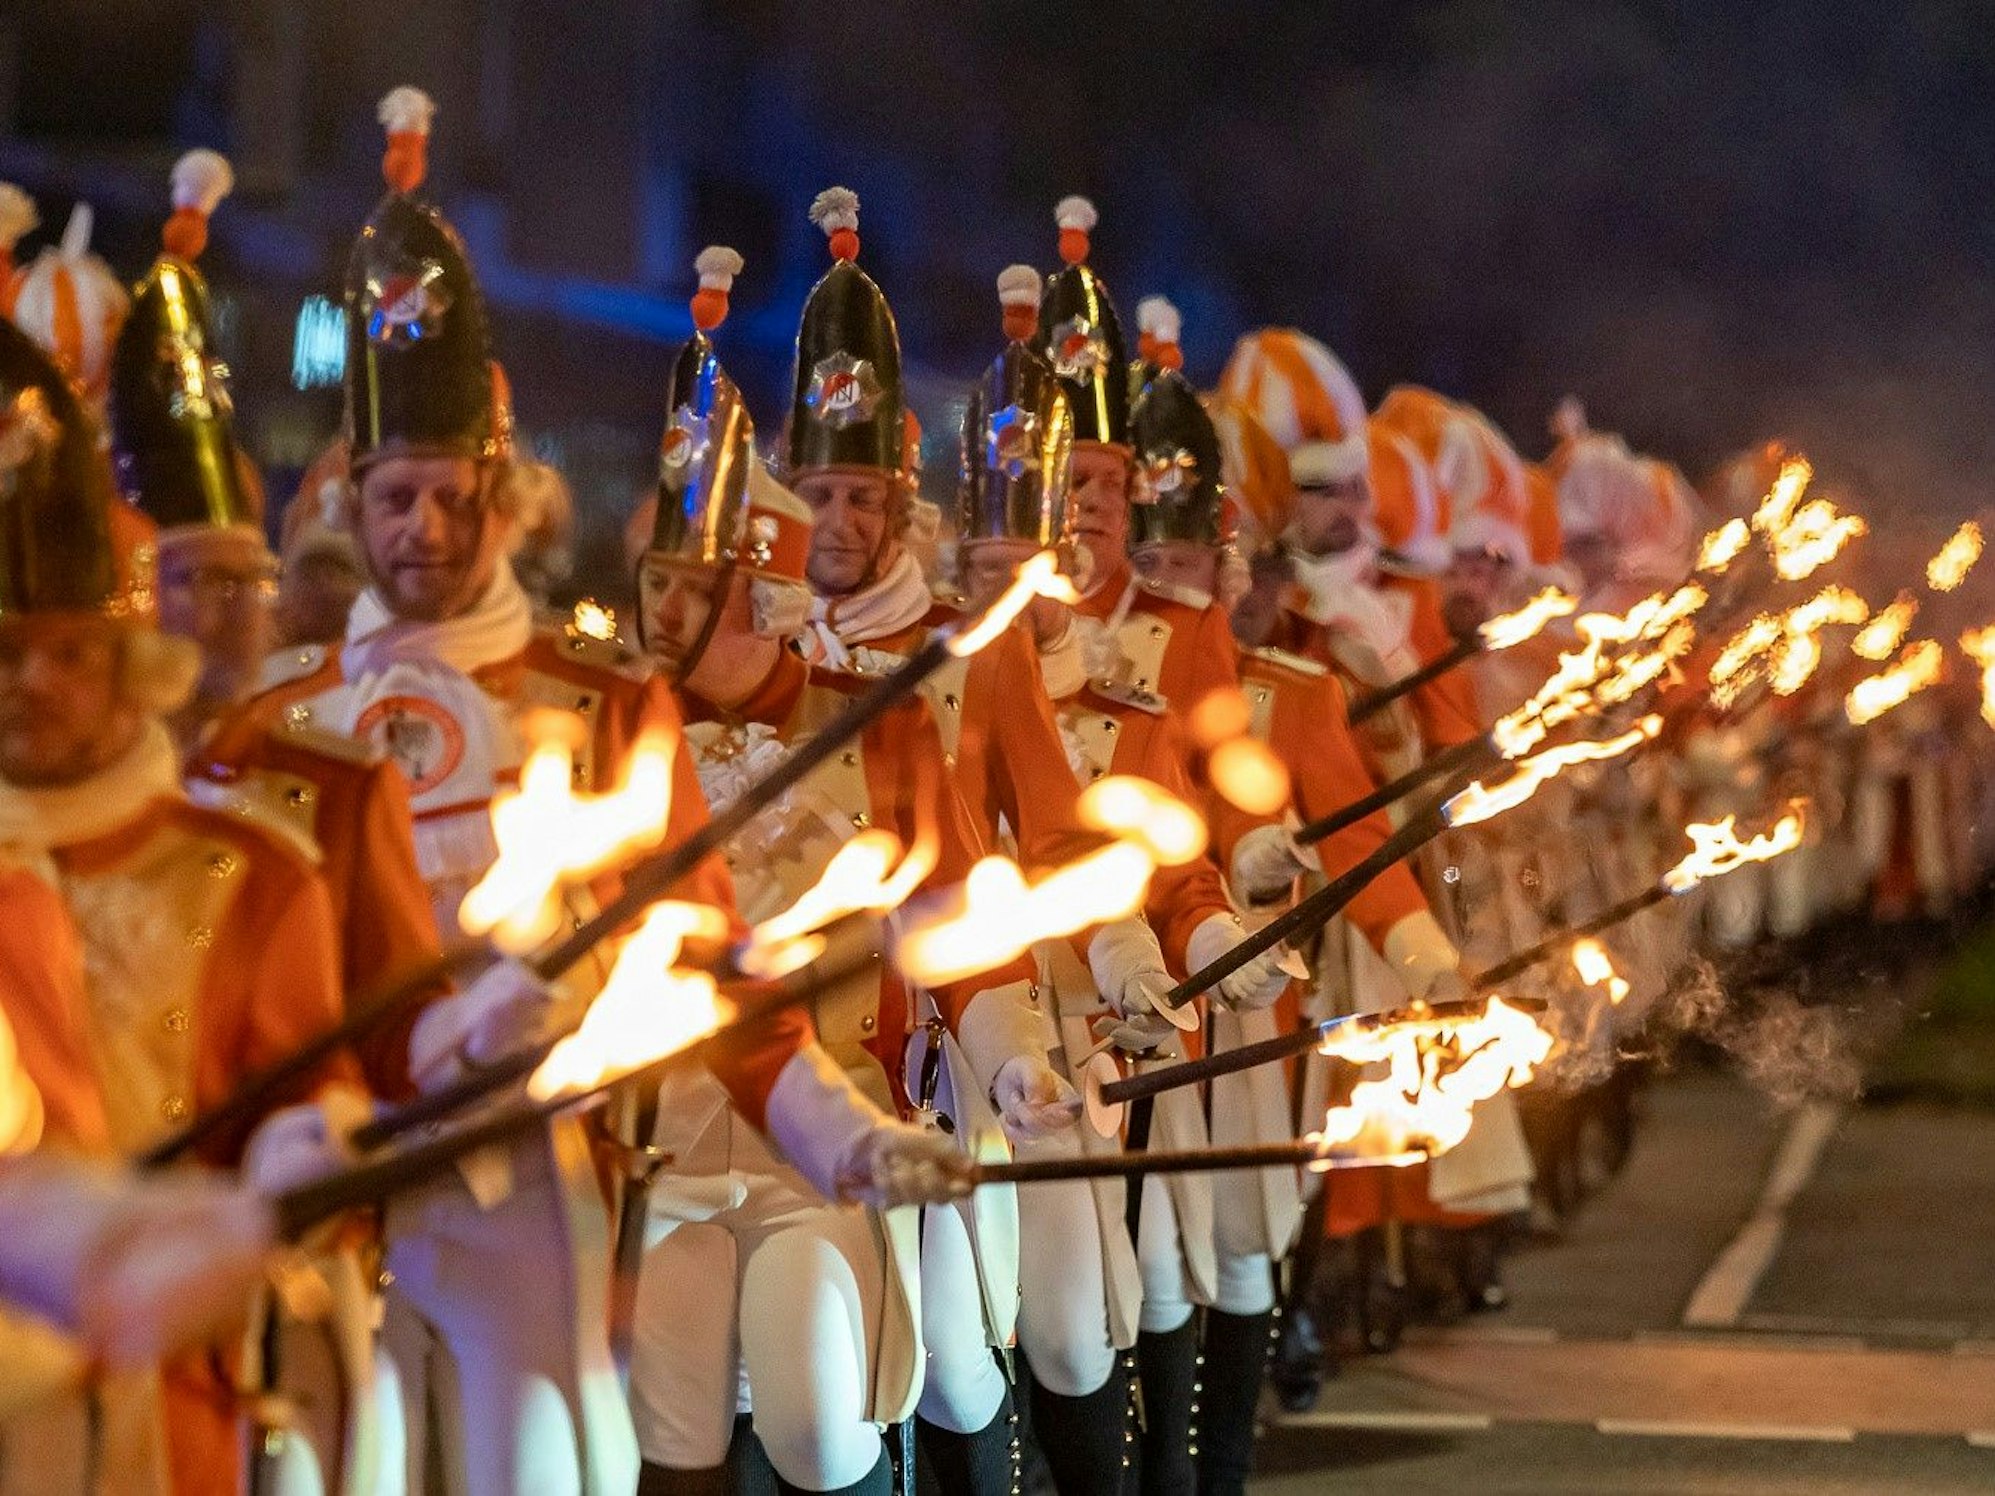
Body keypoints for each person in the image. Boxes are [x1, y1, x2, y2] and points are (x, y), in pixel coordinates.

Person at [629, 238, 1048, 1496]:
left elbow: (957, 923)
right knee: (666, 1445)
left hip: (828, 1138)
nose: (669, 615)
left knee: (820, 1411)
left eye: (702, 590)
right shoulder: (604, 740)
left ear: (761, 594)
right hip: (652, 1153)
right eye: (659, 584)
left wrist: (1016, 1058)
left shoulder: (881, 724)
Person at [0, 309, 359, 1496]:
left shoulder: (255, 872)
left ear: (130, 667)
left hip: (160, 1401)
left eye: (68, 652)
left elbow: (312, 1098)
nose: (32, 684)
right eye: (4, 652)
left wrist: (297, 1162)